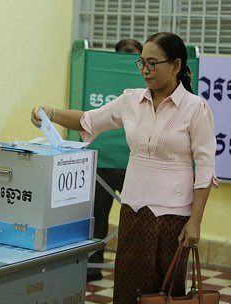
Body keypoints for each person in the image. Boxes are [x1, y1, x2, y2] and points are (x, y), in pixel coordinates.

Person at [31, 32, 216, 303]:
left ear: (176, 66)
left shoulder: (195, 108)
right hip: (134, 210)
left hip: (173, 217)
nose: (145, 70)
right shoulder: (132, 100)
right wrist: (51, 113)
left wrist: (195, 221)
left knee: (165, 292)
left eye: (153, 63)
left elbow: (205, 167)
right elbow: (88, 120)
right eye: (142, 63)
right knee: (129, 289)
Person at [86, 38, 143, 283]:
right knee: (97, 219)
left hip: (138, 166)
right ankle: (92, 268)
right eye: (124, 53)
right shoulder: (103, 78)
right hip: (103, 164)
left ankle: (137, 272)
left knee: (140, 222)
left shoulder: (145, 88)